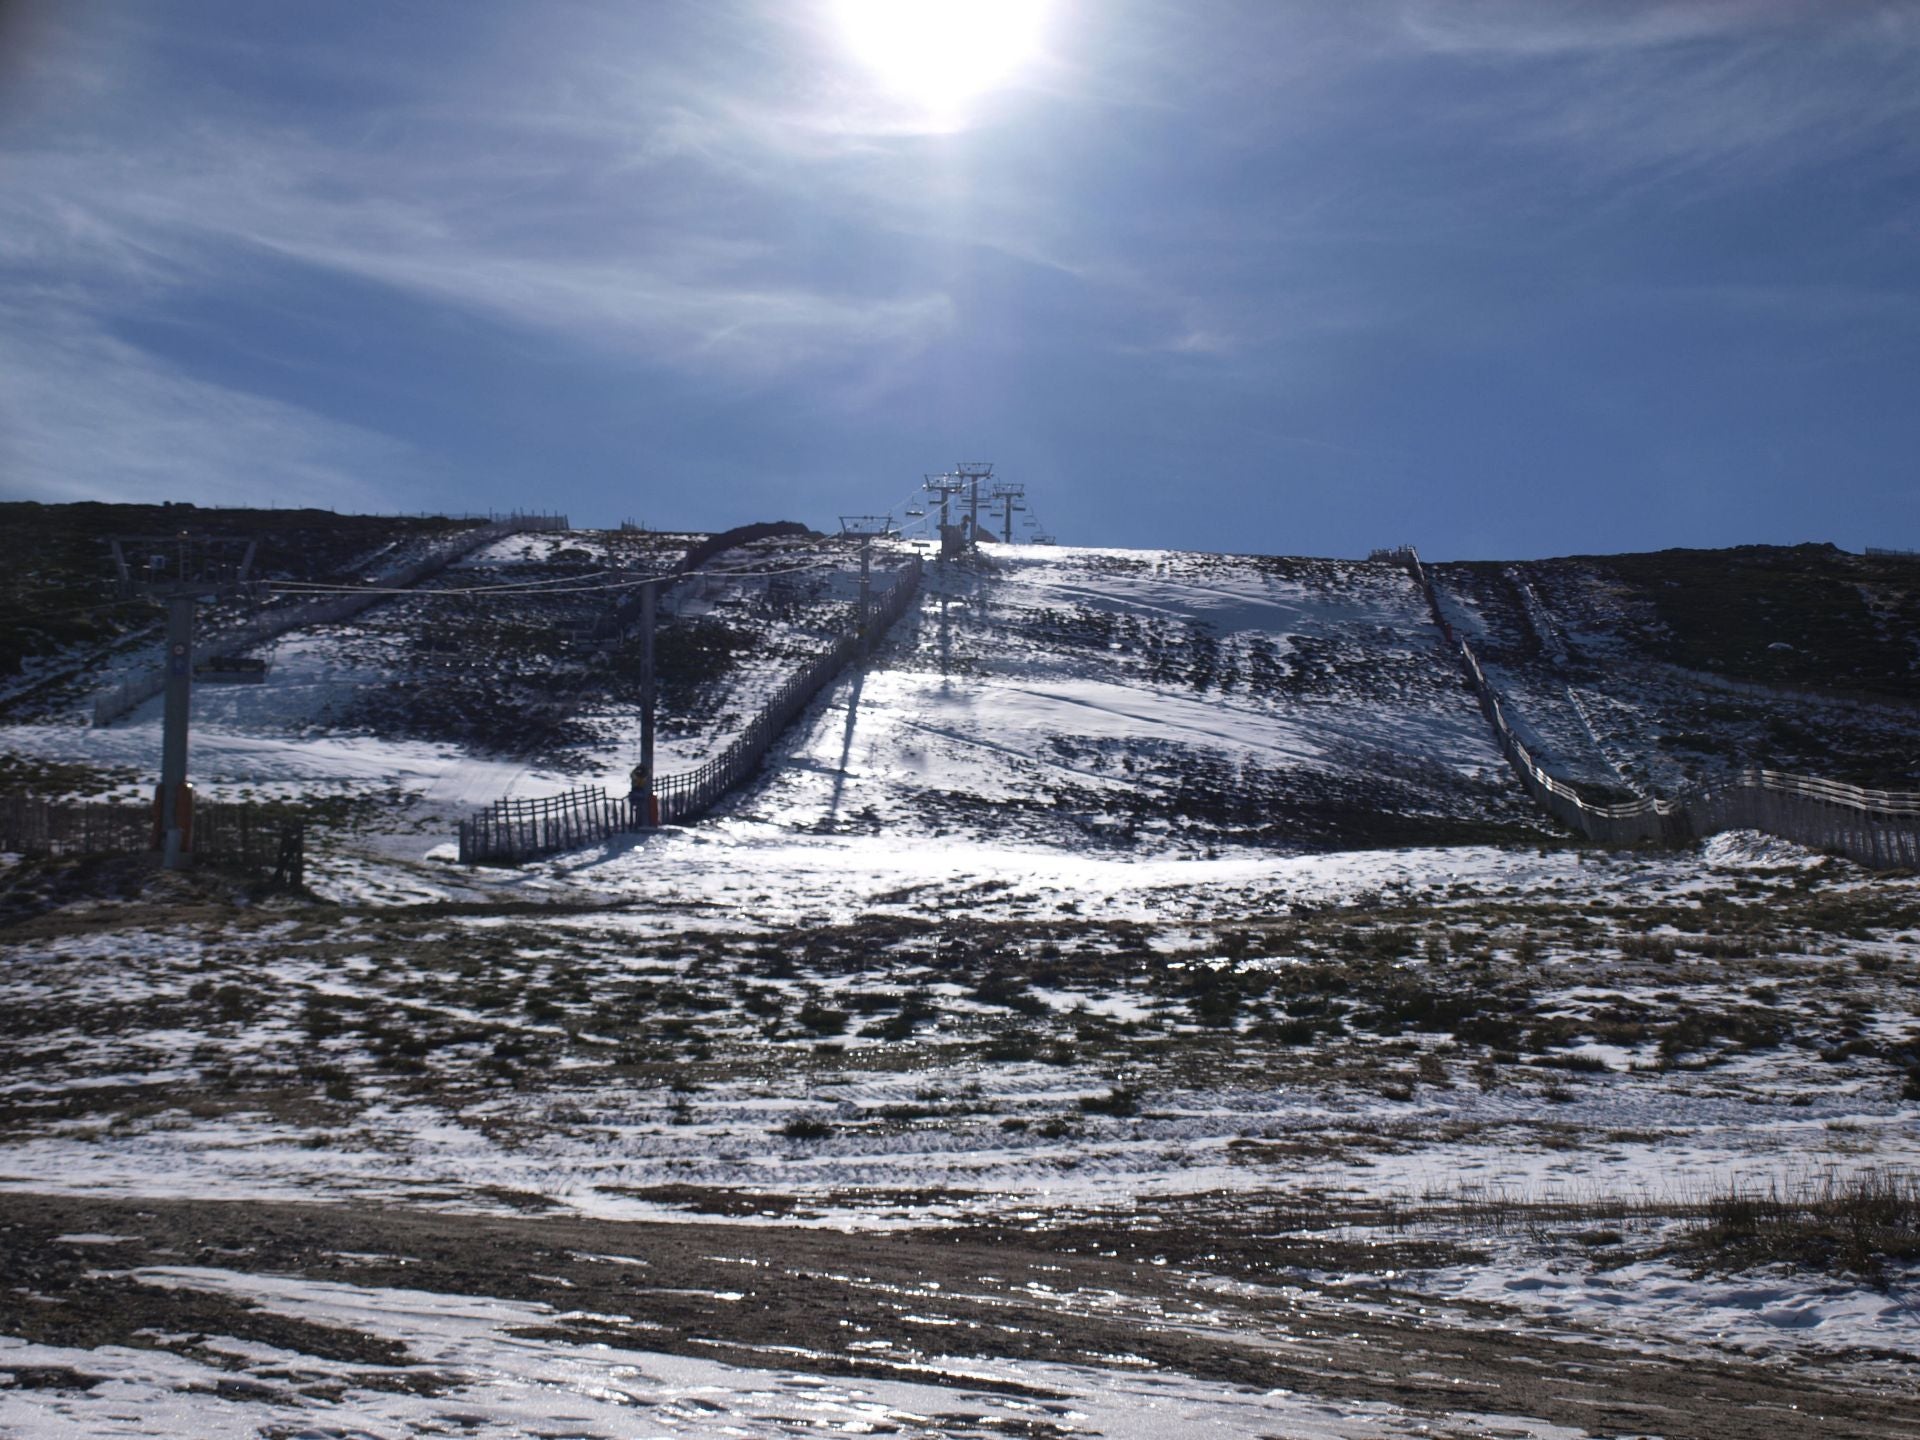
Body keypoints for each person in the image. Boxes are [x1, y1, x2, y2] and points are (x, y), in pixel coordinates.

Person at [627, 761, 651, 826]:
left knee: (638, 809)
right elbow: (647, 774)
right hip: (638, 792)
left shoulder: (639, 777)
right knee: (639, 808)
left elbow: (632, 774)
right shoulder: (639, 777)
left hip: (637, 793)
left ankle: (637, 823)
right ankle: (636, 823)